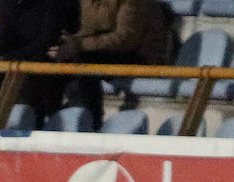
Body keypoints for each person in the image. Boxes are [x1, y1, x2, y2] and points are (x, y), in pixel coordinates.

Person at [50, 0, 167, 130]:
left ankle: (88, 121)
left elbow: (126, 38)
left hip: (138, 55)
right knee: (52, 58)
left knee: (83, 62)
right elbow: (82, 29)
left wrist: (78, 45)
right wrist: (68, 43)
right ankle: (47, 117)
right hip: (96, 50)